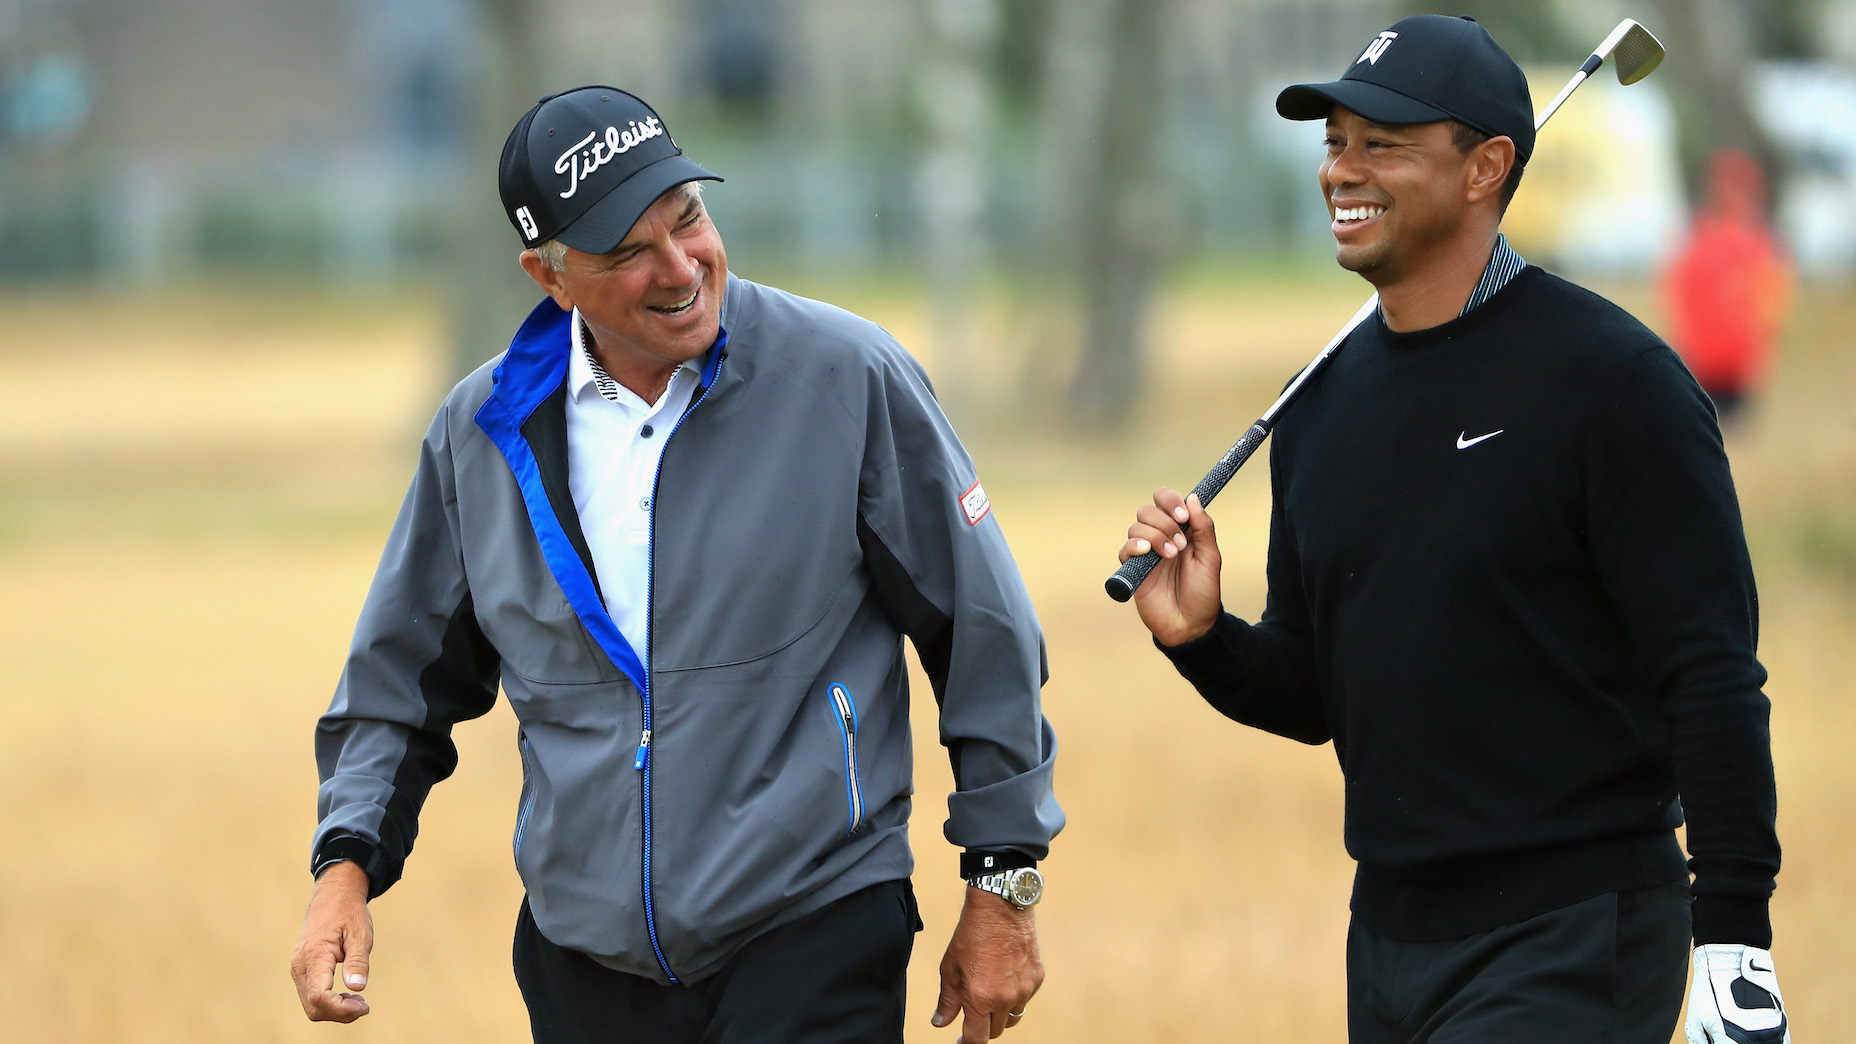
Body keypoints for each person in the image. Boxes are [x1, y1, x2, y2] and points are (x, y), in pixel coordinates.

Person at [291, 86, 1061, 1044]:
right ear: (549, 276)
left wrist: (1003, 883)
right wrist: (344, 872)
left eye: (688, 217)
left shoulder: (848, 377)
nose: (681, 266)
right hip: (583, 962)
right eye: (627, 252)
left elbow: (984, 633)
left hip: (814, 925)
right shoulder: (481, 432)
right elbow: (398, 684)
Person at [1117, 16, 1786, 1044]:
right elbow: (1314, 694)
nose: (1342, 171)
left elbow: (1709, 672)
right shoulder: (1320, 404)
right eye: (1334, 142)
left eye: (1382, 145)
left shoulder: (1612, 382)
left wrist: (1735, 939)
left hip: (1573, 928)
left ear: (1485, 168)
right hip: (1388, 936)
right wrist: (1203, 640)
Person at [1661, 147, 1793, 423]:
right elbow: (1680, 294)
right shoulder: (1699, 237)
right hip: (1703, 360)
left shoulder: (1760, 242)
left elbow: (1772, 300)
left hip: (1738, 363)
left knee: (1730, 430)